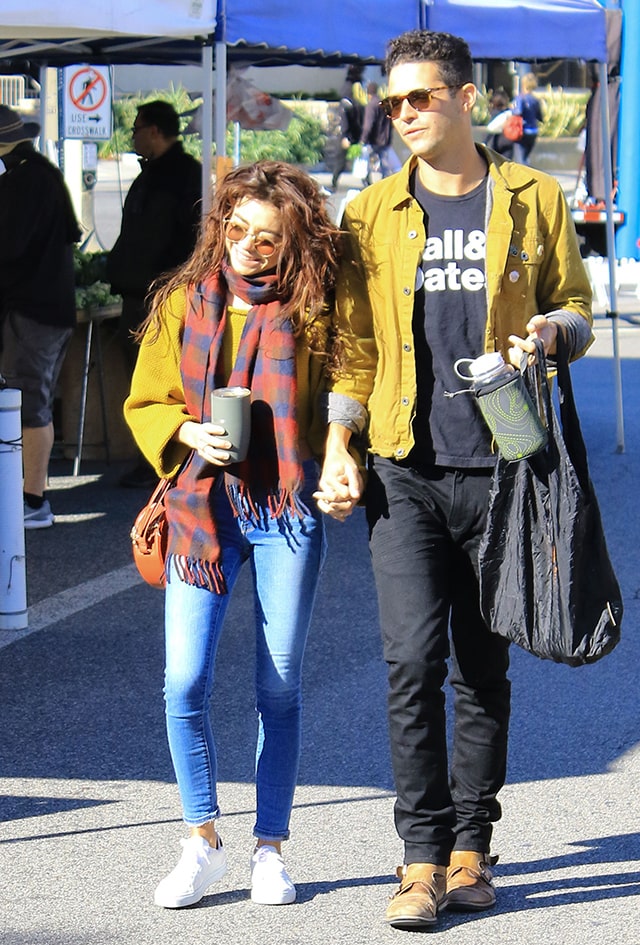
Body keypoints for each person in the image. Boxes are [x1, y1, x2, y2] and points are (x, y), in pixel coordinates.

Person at [314, 30, 592, 930]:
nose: (403, 116)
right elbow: (353, 347)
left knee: (482, 664)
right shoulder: (372, 213)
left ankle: (473, 844)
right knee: (407, 661)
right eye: (392, 103)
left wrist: (551, 330)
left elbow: (579, 307)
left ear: (467, 99)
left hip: (506, 467)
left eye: (419, 99)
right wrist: (338, 444)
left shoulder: (534, 197)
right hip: (405, 467)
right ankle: (418, 857)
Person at [124, 161, 343, 909]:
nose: (247, 245)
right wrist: (187, 427)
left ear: (293, 241)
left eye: (266, 236)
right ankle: (202, 838)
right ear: (218, 226)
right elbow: (145, 398)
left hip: (283, 503)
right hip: (200, 503)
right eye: (235, 228)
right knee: (183, 679)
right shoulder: (185, 299)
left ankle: (270, 848)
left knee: (277, 687)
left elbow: (345, 393)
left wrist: (332, 460)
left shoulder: (314, 307)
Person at [108, 99, 202, 488]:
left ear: (155, 131)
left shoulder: (184, 175)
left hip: (166, 294)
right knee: (142, 377)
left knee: (166, 379)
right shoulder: (150, 174)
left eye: (136, 128)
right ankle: (151, 453)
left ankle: (166, 456)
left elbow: (185, 235)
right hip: (138, 292)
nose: (132, 136)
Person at [0, 105, 82, 529]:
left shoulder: (25, 180)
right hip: (41, 307)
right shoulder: (37, 173)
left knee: (27, 403)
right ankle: (25, 495)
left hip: (34, 311)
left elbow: (9, 248)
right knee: (26, 400)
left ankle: (34, 500)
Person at [327, 66, 364, 192]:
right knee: (344, 160)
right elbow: (347, 121)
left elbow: (346, 120)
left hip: (351, 134)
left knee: (345, 160)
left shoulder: (348, 101)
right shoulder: (352, 102)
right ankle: (334, 182)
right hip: (352, 134)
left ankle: (334, 183)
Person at [359, 81, 402, 185]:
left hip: (374, 140)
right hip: (385, 139)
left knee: (364, 162)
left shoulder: (371, 106)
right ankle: (386, 181)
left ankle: (367, 183)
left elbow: (368, 125)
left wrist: (363, 139)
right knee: (385, 164)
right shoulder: (384, 104)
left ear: (368, 94)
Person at [512, 72, 543, 166]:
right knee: (526, 156)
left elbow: (517, 112)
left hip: (522, 131)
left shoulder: (520, 98)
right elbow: (540, 117)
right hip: (533, 131)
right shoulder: (535, 100)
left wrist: (511, 109)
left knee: (520, 158)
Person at [484, 89, 514, 159]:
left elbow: (490, 129)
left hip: (496, 142)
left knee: (496, 163)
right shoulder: (509, 112)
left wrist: (485, 141)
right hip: (508, 141)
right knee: (507, 164)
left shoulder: (494, 113)